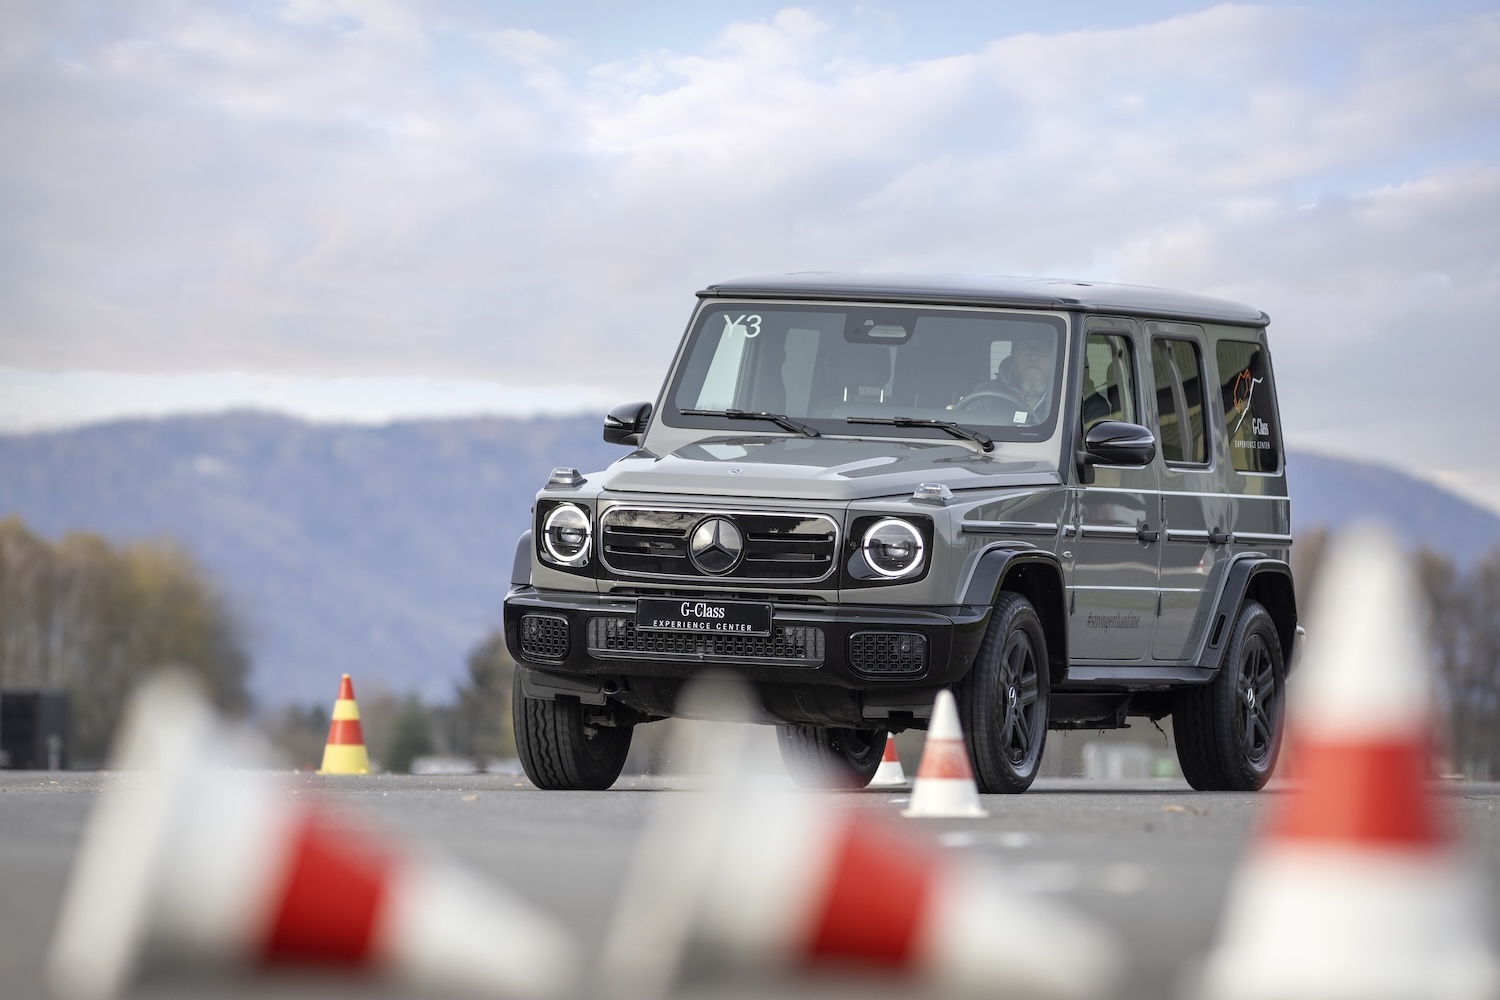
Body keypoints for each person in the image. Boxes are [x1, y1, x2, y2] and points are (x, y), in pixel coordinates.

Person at [957, 329, 1058, 423]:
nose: (1033, 357)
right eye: (1025, 348)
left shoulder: (1064, 395)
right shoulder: (984, 395)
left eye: (1041, 349)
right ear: (1014, 357)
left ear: (1053, 357)